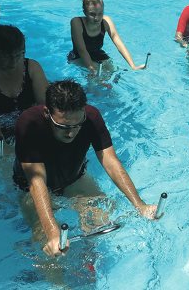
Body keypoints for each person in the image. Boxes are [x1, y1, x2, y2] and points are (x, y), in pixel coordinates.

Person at [13, 80, 157, 257]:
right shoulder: (29, 123)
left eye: (76, 125)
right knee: (48, 245)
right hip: (31, 188)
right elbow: (36, 181)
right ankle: (59, 285)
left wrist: (140, 205)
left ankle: (89, 256)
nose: (71, 133)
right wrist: (52, 232)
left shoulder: (91, 117)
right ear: (46, 113)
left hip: (74, 179)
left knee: (100, 219)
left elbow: (110, 162)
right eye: (63, 126)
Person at [0, 25, 48, 146]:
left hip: (27, 127)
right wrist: (3, 152)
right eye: (6, 56)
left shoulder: (32, 67)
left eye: (18, 55)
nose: (13, 62)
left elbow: (46, 105)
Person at [68, 0, 145, 75]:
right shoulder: (76, 22)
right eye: (92, 14)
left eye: (100, 13)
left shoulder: (106, 21)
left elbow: (119, 44)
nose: (97, 18)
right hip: (78, 56)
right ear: (85, 12)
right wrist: (92, 69)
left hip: (98, 54)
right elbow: (81, 50)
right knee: (96, 76)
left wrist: (133, 66)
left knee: (115, 72)